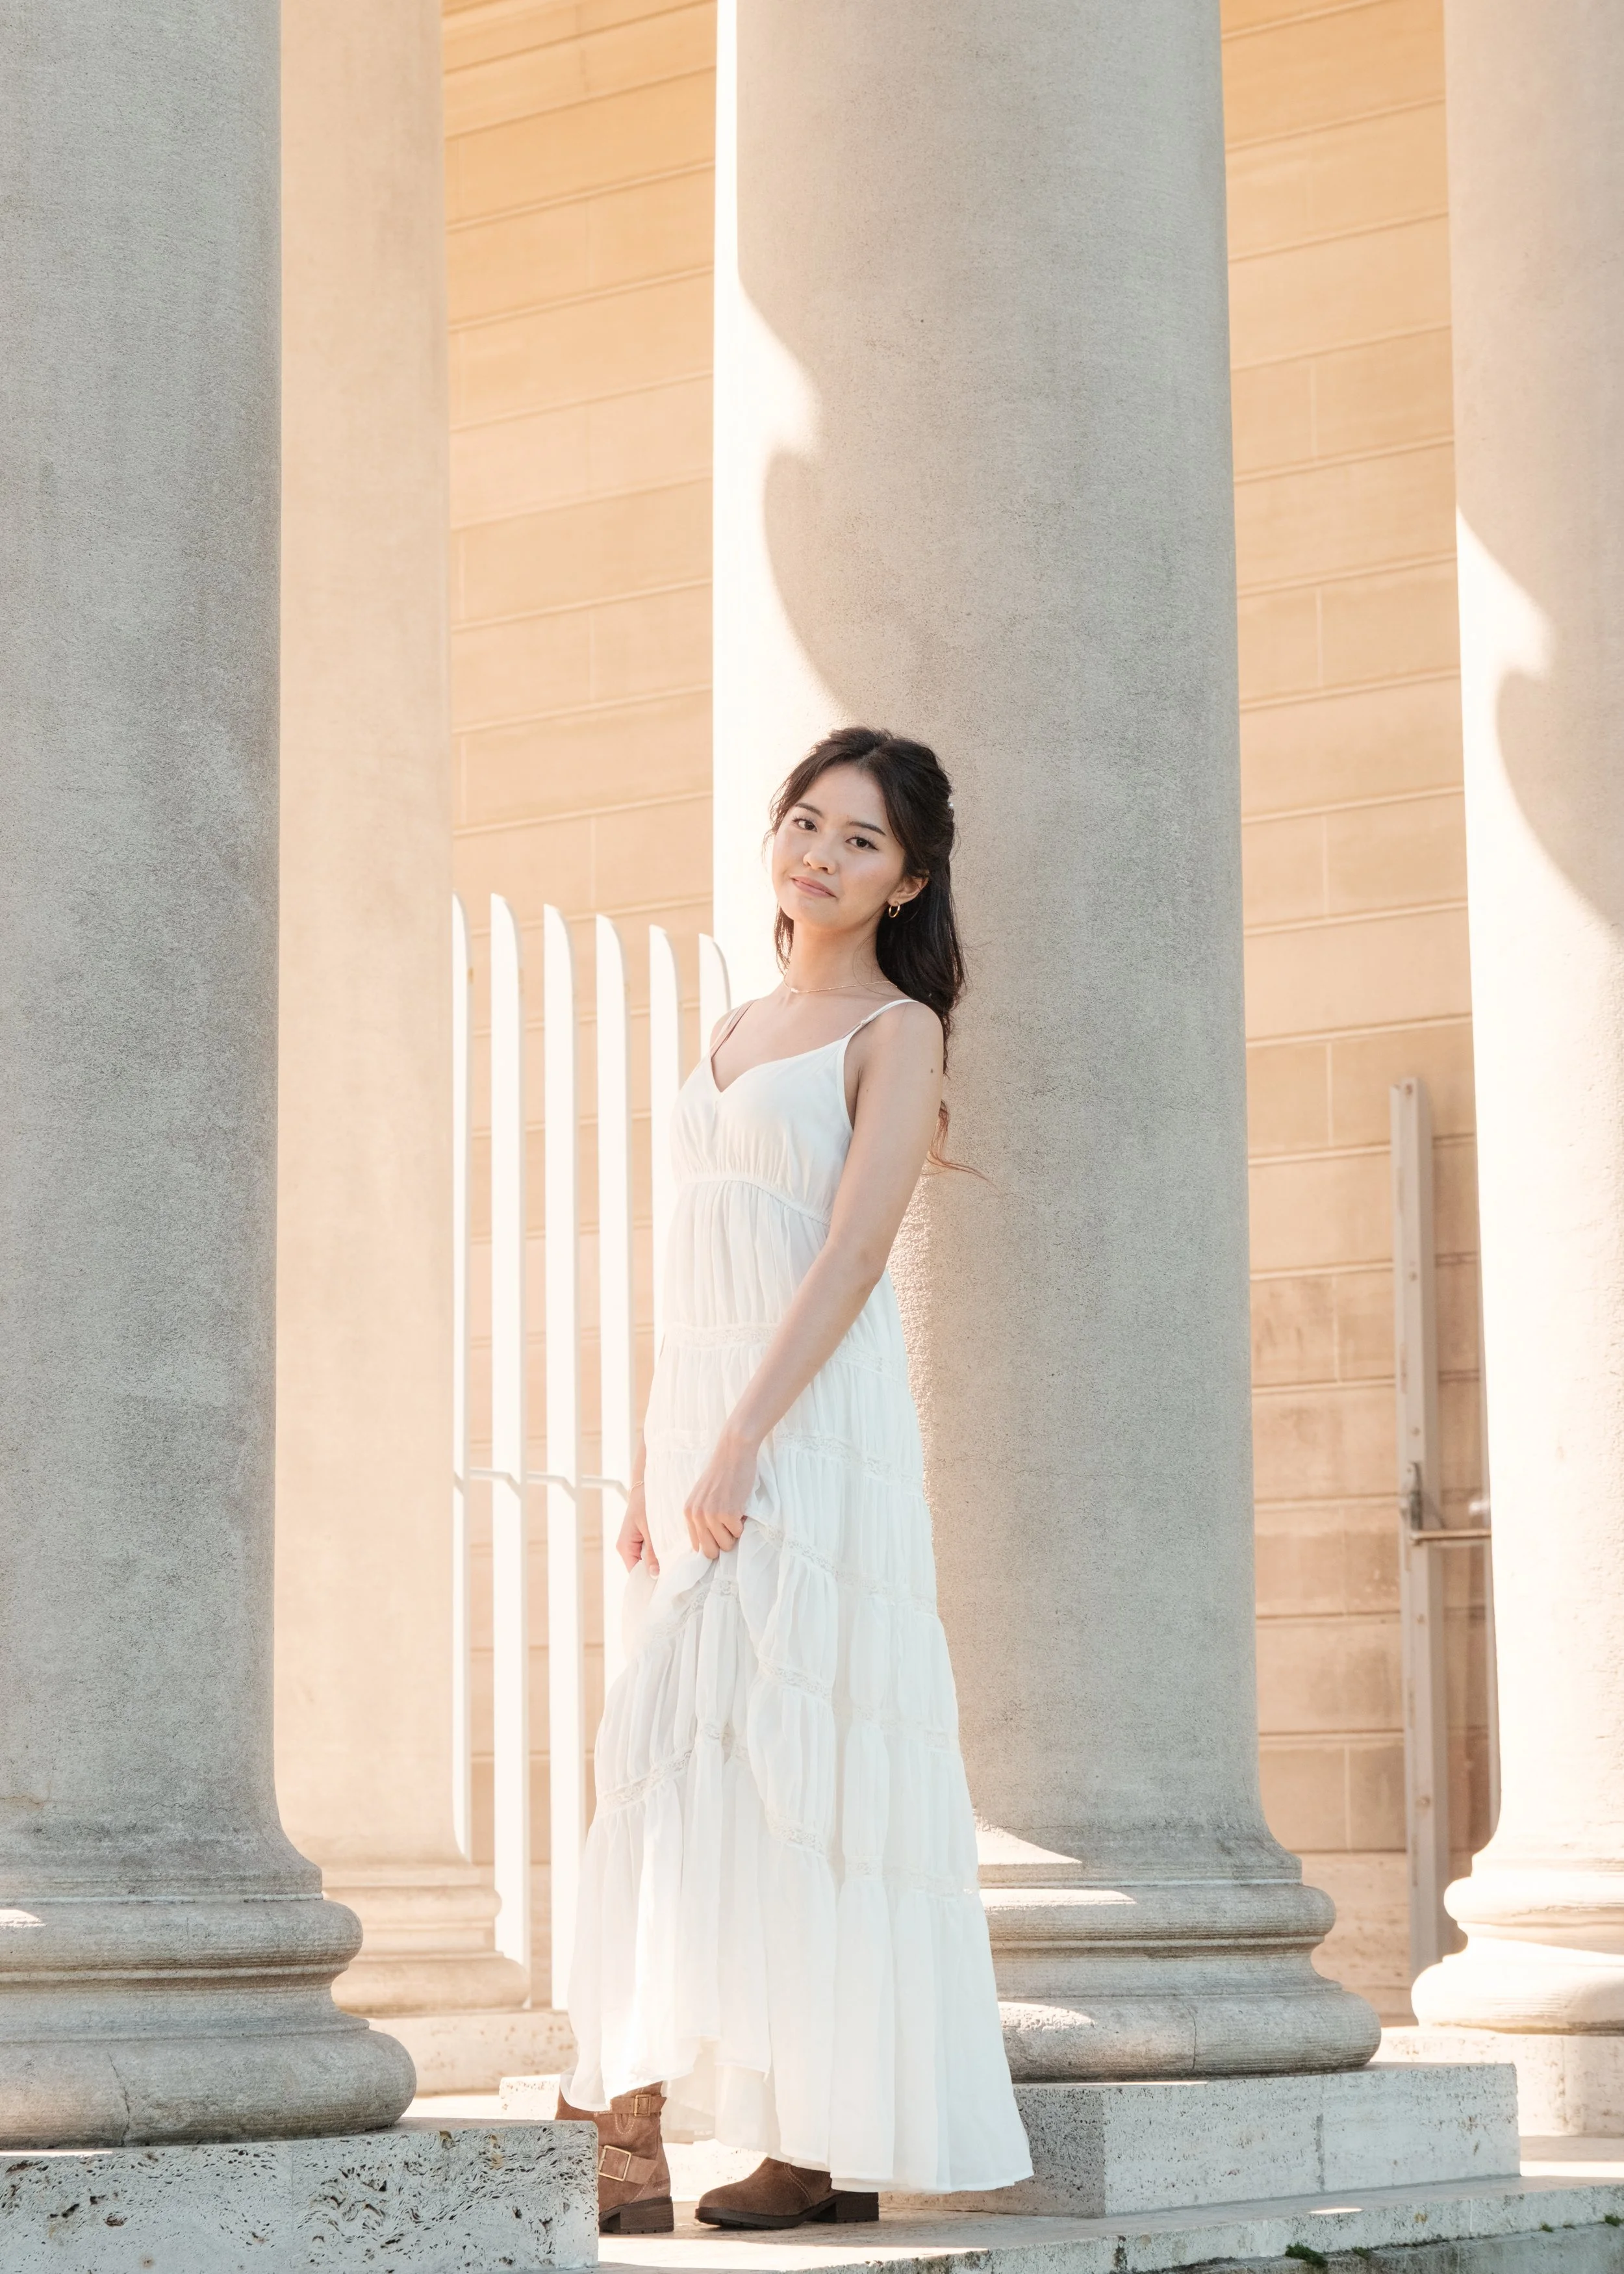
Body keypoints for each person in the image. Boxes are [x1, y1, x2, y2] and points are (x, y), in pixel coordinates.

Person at [559, 726, 1032, 2232]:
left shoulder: (894, 1031)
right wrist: (658, 1453)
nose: (819, 855)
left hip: (805, 1438)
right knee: (673, 1752)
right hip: (703, 1435)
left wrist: (744, 1432)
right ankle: (650, 2124)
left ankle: (758, 2136)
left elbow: (852, 1250)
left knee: (800, 1762)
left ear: (908, 881)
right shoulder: (735, 1021)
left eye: (859, 840)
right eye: (806, 822)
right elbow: (693, 1255)